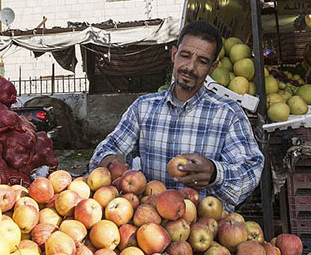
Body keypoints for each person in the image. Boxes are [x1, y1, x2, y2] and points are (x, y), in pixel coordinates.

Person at [89, 20, 264, 209]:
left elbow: (251, 170)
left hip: (207, 228)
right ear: (174, 54)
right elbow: (109, 148)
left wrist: (215, 173)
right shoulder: (144, 107)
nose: (190, 67)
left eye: (202, 61)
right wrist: (109, 161)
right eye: (185, 55)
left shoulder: (228, 114)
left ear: (213, 67)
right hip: (152, 228)